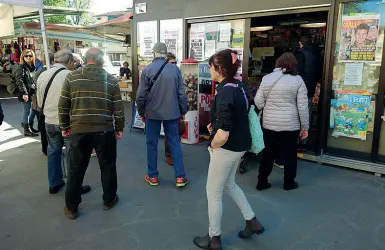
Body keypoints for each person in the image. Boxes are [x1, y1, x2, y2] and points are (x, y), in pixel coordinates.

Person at [193, 49, 264, 250]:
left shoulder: (225, 91)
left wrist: (213, 144)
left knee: (213, 192)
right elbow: (239, 115)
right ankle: (252, 221)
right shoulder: (239, 86)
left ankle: (214, 238)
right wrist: (215, 125)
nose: (209, 70)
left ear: (220, 68)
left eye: (211, 67)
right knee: (229, 185)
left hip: (226, 147)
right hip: (241, 145)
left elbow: (223, 134)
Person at [59, 48, 125, 219]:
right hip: (104, 131)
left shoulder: (71, 77)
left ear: (86, 59)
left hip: (79, 130)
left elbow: (63, 105)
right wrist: (119, 128)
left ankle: (72, 208)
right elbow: (118, 109)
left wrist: (64, 126)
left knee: (75, 169)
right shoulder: (111, 80)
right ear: (101, 60)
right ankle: (109, 200)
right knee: (108, 166)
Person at [37, 49, 91, 195]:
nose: (74, 64)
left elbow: (39, 102)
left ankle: (54, 183)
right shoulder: (71, 75)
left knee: (53, 151)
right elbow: (78, 102)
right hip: (68, 121)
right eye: (73, 62)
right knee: (71, 153)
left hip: (48, 120)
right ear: (69, 62)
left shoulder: (43, 75)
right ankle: (73, 186)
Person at [255, 52, 309, 191]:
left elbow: (258, 101)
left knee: (268, 152)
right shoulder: (298, 80)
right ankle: (289, 183)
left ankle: (262, 182)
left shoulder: (267, 78)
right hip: (290, 125)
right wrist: (305, 127)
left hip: (269, 123)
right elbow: (302, 106)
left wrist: (267, 108)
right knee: (290, 154)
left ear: (278, 63)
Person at [136, 42, 188, 187]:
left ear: (154, 53)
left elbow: (140, 96)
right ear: (165, 54)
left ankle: (152, 176)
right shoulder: (175, 70)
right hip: (172, 113)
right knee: (174, 143)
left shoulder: (146, 70)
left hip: (152, 113)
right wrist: (183, 110)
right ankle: (180, 177)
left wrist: (141, 112)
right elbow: (181, 94)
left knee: (151, 143)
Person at [296, 36, 320, 151]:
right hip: (310, 88)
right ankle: (304, 143)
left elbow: (297, 72)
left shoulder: (301, 54)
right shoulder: (317, 54)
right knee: (307, 115)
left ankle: (295, 143)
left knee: (296, 116)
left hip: (300, 88)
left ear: (300, 43)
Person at [10, 49, 38, 137]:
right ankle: (26, 129)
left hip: (30, 92)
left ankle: (28, 126)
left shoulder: (32, 67)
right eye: (26, 56)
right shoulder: (21, 67)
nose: (28, 57)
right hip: (24, 93)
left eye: (30, 55)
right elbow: (20, 81)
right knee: (27, 111)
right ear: (23, 57)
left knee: (31, 109)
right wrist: (24, 93)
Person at [164, 52, 185, 166]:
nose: (175, 65)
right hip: (166, 108)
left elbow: (180, 93)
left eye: (176, 62)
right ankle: (169, 154)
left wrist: (183, 109)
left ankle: (172, 149)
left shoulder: (176, 73)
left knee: (180, 129)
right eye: (172, 62)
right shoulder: (163, 75)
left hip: (175, 107)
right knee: (171, 132)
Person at [34, 52, 55, 155]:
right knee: (45, 129)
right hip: (44, 105)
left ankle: (45, 149)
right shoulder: (45, 71)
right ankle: (46, 149)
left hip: (40, 105)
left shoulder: (40, 71)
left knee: (43, 129)